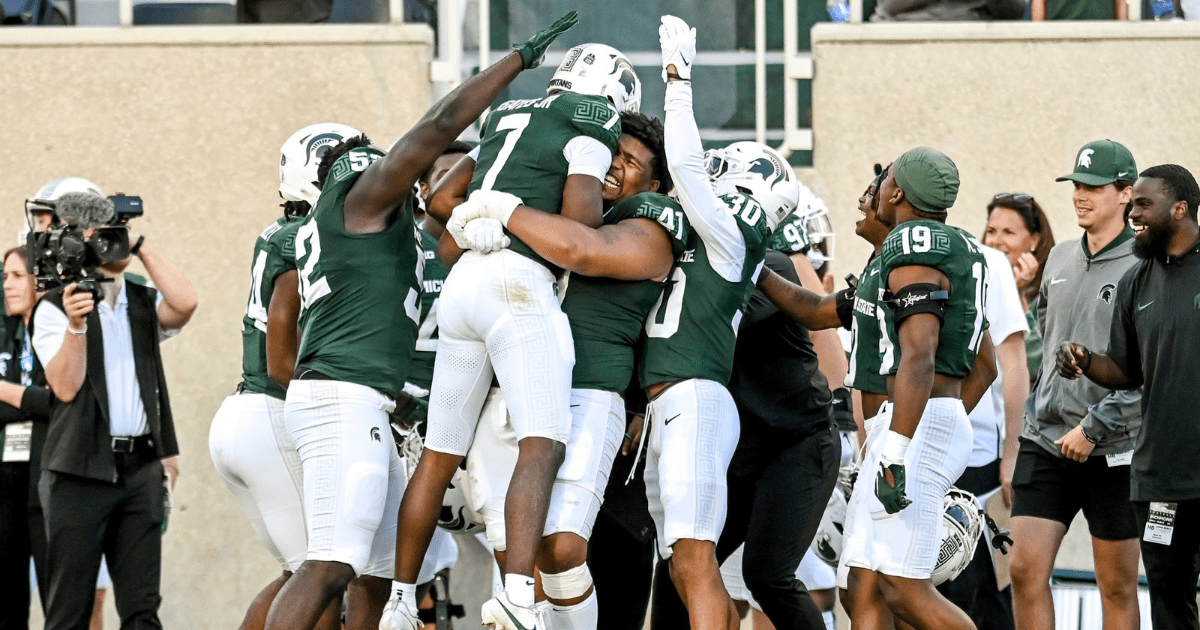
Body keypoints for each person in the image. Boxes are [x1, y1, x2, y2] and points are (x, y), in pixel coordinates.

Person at [262, 13, 580, 630]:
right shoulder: (355, 203)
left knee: (375, 570)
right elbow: (437, 129)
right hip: (340, 398)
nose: (387, 162)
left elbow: (448, 197)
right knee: (329, 563)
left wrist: (503, 138)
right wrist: (515, 63)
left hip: (365, 402)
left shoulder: (376, 229)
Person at [388, 36, 640, 630]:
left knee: (440, 451)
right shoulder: (593, 116)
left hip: (464, 286)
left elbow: (446, 198)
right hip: (517, 286)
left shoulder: (508, 111)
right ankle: (519, 596)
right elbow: (580, 231)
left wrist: (487, 212)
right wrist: (528, 218)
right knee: (544, 441)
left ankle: (400, 599)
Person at [440, 109, 684, 630]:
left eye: (633, 163)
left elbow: (583, 249)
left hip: (591, 390)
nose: (615, 166)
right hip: (514, 389)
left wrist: (502, 206)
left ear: (657, 182)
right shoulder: (560, 202)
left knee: (563, 546)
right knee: (513, 552)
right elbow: (444, 228)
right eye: (611, 152)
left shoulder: (650, 220)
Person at [636, 15, 802, 630]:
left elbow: (684, 166)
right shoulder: (710, 238)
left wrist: (678, 81)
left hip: (696, 401)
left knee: (696, 559)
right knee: (683, 562)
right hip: (671, 404)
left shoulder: (733, 236)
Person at [209, 122, 361, 630]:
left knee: (296, 573)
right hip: (271, 410)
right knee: (321, 575)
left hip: (248, 415)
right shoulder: (306, 239)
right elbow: (281, 359)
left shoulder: (281, 231)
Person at [32, 191, 199, 630]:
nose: (112, 241)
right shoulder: (52, 307)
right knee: (70, 611)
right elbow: (65, 387)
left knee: (142, 611)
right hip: (77, 475)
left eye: (116, 233)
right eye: (102, 236)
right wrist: (76, 326)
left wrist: (138, 246)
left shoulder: (141, 302)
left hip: (140, 470)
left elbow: (185, 303)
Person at [838, 146, 987, 630]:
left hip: (915, 428)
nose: (872, 191)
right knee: (862, 585)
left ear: (897, 190)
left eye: (882, 181)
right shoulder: (954, 246)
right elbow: (983, 363)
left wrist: (902, 448)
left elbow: (919, 353)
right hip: (912, 424)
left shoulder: (914, 243)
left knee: (903, 586)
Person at [1056, 164, 1200, 630]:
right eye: (1131, 202)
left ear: (1180, 208)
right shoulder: (1136, 281)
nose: (1132, 212)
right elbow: (1126, 371)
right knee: (1170, 605)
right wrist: (1084, 359)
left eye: (1143, 203)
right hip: (1161, 478)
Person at [1008, 140, 1142, 630]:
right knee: (1024, 570)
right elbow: (1045, 338)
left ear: (1126, 193)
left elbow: (1152, 372)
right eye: (1077, 186)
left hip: (1114, 450)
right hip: (1045, 440)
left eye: (1094, 187)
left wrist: (1093, 429)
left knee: (1117, 586)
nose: (1081, 195)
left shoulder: (1144, 268)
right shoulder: (1060, 257)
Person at [0, 246, 54, 630]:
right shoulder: (6, 334)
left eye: (17, 276)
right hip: (5, 486)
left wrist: (3, 392)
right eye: (5, 277)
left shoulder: (55, 334)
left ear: (41, 281)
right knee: (5, 601)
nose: (7, 286)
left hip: (47, 484)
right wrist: (27, 400)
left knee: (59, 600)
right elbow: (39, 401)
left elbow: (59, 401)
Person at [983, 194, 1055, 383]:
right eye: (991, 231)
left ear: (1034, 241)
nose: (996, 241)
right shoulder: (975, 285)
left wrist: (1016, 296)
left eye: (1008, 232)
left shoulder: (1052, 292)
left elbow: (1039, 365)